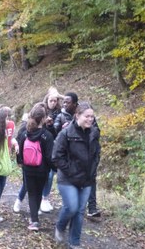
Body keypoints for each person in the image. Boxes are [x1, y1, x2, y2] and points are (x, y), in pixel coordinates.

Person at [52, 102, 100, 248]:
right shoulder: (66, 133)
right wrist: (70, 171)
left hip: (86, 179)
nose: (90, 119)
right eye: (87, 116)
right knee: (72, 207)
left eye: (92, 116)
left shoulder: (94, 132)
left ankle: (74, 243)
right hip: (68, 178)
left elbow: (96, 154)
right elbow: (56, 156)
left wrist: (92, 170)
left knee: (80, 211)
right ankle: (60, 227)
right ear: (78, 115)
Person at [17, 103, 54, 231]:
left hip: (28, 169)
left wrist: (20, 162)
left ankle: (34, 220)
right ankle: (34, 217)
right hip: (42, 170)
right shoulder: (47, 136)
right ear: (43, 119)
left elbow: (19, 151)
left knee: (32, 193)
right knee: (38, 192)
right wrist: (52, 167)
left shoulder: (24, 133)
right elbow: (50, 157)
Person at [41, 87, 63, 213]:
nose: (53, 103)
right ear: (47, 99)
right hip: (41, 145)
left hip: (53, 146)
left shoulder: (60, 112)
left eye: (55, 100)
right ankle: (38, 199)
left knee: (50, 175)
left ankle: (45, 198)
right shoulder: (41, 110)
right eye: (51, 100)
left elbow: (77, 106)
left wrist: (60, 95)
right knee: (44, 175)